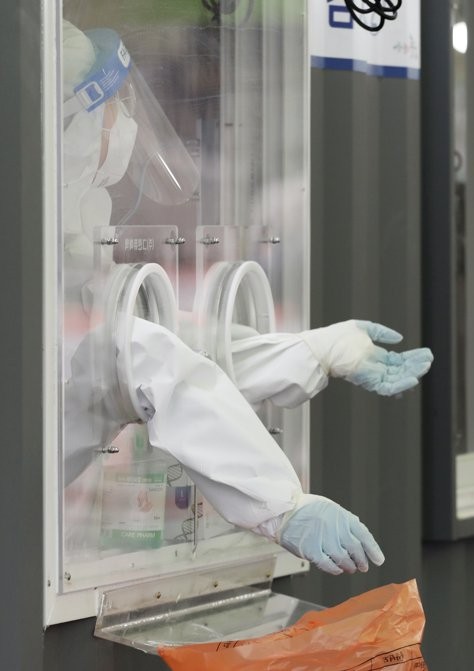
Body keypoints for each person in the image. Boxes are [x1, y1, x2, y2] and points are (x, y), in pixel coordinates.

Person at [61, 20, 432, 575]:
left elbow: (162, 341)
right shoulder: (32, 246)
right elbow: (143, 362)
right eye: (114, 105)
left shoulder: (63, 229)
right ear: (73, 127)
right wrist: (280, 507)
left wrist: (314, 351)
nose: (130, 120)